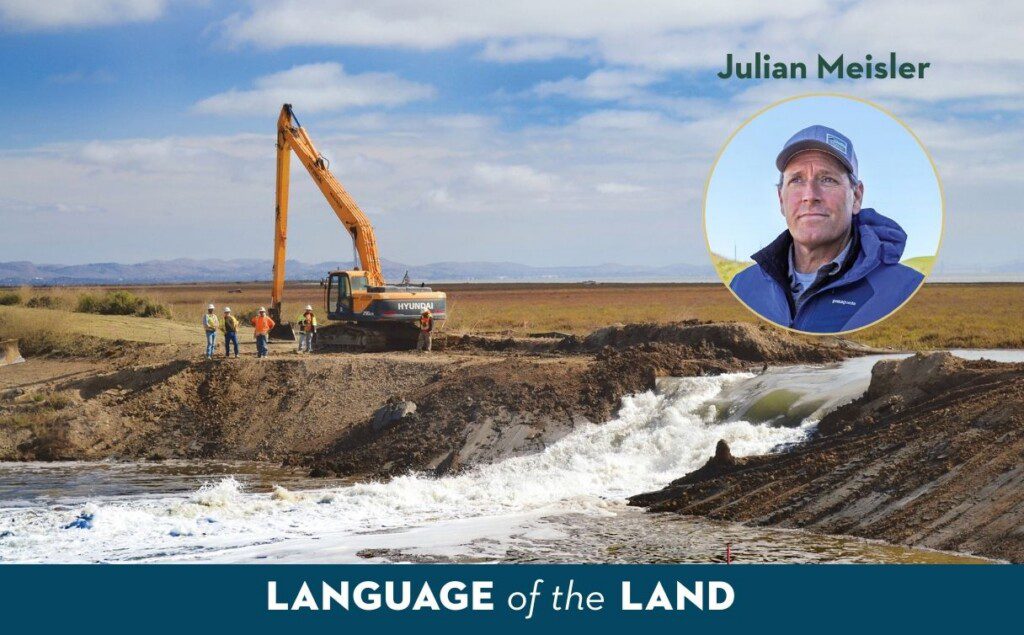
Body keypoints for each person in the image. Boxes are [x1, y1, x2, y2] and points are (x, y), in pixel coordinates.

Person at [729, 124, 924, 333]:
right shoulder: (742, 286)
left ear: (856, 197)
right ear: (781, 200)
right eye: (796, 180)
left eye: (828, 179)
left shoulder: (906, 290)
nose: (810, 195)